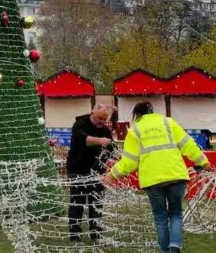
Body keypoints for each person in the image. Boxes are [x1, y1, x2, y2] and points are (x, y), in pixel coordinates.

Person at [104, 101, 208, 253]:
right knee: (176, 213)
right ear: (151, 111)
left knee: (160, 218)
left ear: (137, 115)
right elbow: (188, 145)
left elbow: (130, 161)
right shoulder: (168, 122)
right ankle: (175, 245)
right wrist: (203, 162)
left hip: (152, 181)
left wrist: (113, 174)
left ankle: (166, 251)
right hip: (176, 175)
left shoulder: (135, 130)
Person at [67, 103, 114, 243]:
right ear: (92, 113)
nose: (102, 122)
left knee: (96, 204)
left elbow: (110, 149)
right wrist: (99, 141)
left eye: (105, 119)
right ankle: (75, 235)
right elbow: (83, 140)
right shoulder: (80, 124)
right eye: (100, 118)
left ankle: (96, 234)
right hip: (78, 170)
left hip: (98, 172)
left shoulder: (105, 130)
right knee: (77, 203)